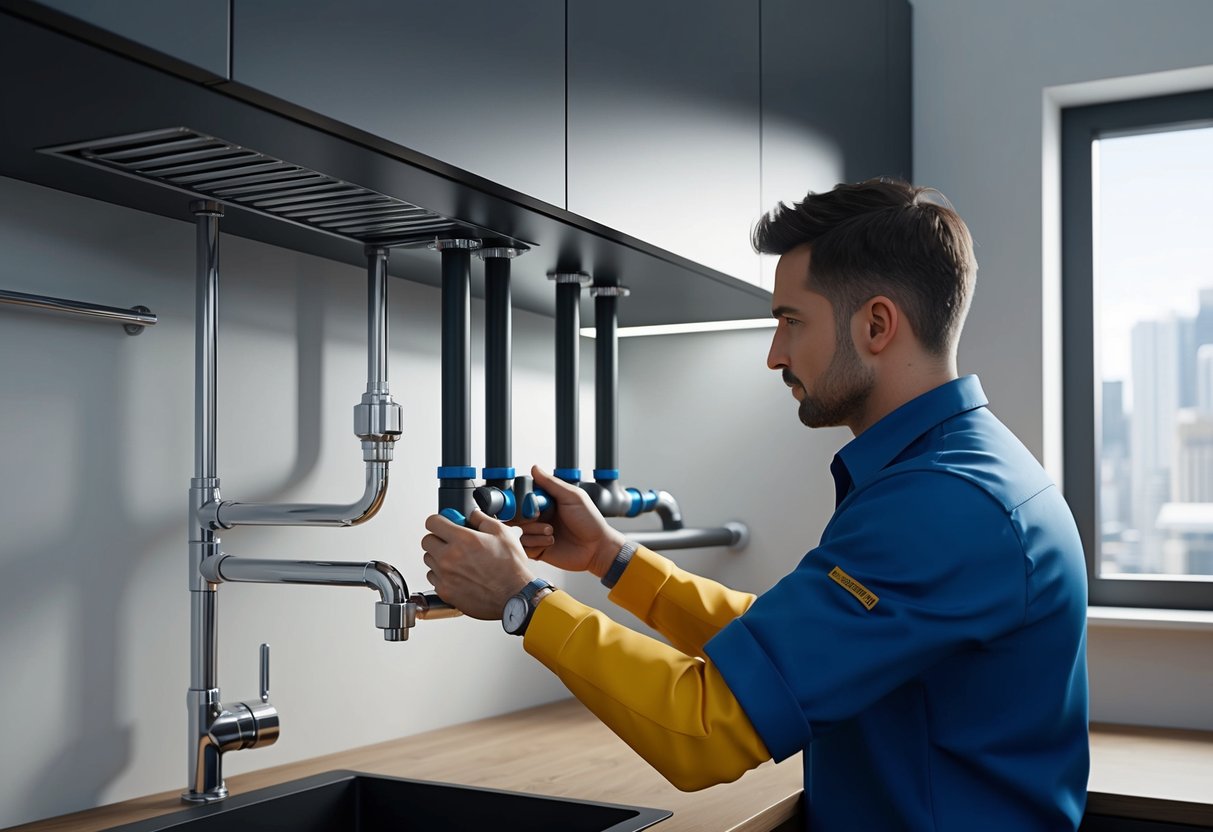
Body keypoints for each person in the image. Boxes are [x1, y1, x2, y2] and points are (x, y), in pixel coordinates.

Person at [420, 178, 1089, 831]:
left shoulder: (942, 505)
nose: (775, 354)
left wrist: (522, 601)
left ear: (877, 324)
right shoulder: (955, 471)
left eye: (791, 322)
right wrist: (608, 556)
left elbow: (704, 730)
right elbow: (780, 647)